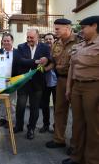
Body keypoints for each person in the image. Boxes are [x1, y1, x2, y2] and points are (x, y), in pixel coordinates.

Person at [62, 16, 99, 164]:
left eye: (84, 27)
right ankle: (77, 157)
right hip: (77, 86)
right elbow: (72, 66)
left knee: (93, 125)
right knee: (77, 123)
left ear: (95, 26)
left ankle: (92, 159)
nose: (81, 31)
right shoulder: (80, 45)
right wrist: (68, 87)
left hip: (94, 87)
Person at [46, 19, 81, 154]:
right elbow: (53, 61)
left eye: (57, 29)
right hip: (61, 80)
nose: (55, 31)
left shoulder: (80, 40)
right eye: (55, 29)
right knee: (59, 110)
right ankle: (59, 139)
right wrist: (45, 65)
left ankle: (75, 144)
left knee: (78, 114)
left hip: (76, 80)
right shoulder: (56, 43)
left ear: (67, 28)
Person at [13, 28, 50, 140]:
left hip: (37, 82)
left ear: (37, 37)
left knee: (34, 108)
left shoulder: (45, 47)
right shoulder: (21, 47)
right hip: (23, 82)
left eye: (31, 37)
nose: (29, 39)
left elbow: (49, 59)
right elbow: (21, 61)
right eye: (28, 37)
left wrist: (46, 60)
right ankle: (19, 126)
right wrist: (36, 61)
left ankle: (31, 129)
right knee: (20, 106)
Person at [0, 32, 18, 128]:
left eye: (8, 40)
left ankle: (11, 120)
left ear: (12, 41)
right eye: (4, 41)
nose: (6, 42)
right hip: (0, 81)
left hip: (12, 81)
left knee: (11, 102)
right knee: (0, 101)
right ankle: (3, 118)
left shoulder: (17, 52)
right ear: (2, 42)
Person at [39, 33, 57, 133]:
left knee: (57, 106)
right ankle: (46, 125)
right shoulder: (42, 52)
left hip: (57, 82)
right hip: (45, 82)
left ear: (54, 40)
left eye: (50, 39)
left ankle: (56, 126)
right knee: (45, 105)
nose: (48, 41)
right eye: (46, 39)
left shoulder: (58, 50)